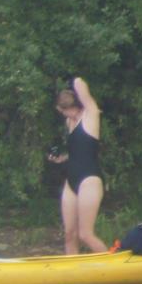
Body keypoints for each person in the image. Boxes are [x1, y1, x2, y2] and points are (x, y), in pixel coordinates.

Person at [47, 77, 107, 254]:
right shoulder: (69, 122)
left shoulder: (90, 115)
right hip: (71, 180)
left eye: (70, 109)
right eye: (66, 111)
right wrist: (60, 159)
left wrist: (74, 84)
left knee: (85, 234)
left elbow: (81, 84)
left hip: (89, 179)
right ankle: (71, 276)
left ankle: (112, 267)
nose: (68, 114)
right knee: (69, 234)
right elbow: (78, 152)